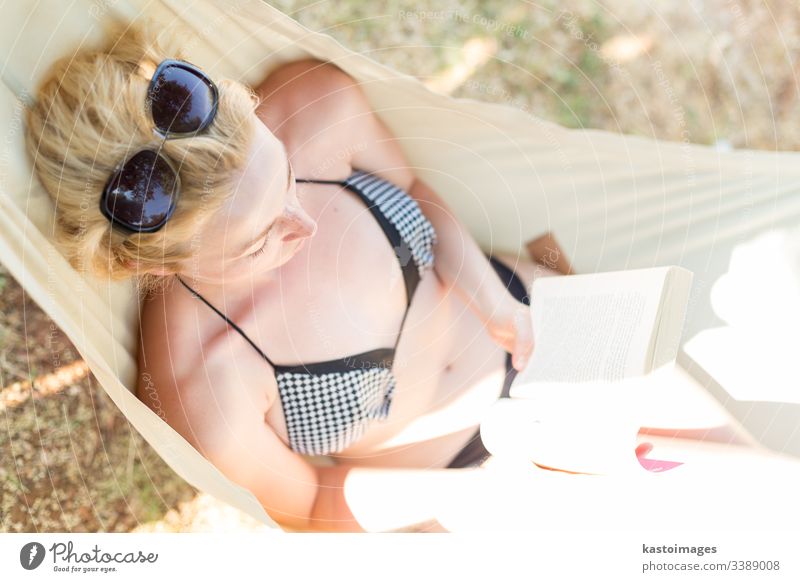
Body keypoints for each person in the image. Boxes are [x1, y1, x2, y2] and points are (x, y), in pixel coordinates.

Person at [24, 20, 562, 532]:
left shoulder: (314, 109)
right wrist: (469, 496)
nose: (303, 225)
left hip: (535, 309)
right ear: (152, 265)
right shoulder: (203, 383)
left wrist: (497, 306)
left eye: (286, 177)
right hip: (463, 480)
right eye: (258, 242)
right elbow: (310, 502)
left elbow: (416, 188)